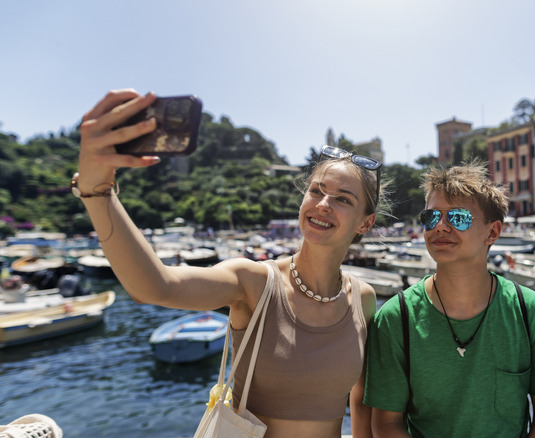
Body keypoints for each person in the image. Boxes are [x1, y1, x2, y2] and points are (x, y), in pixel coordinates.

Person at [76, 89, 386, 438]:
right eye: (316, 191)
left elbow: (362, 398)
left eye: (343, 199)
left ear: (365, 223)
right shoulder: (252, 281)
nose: (324, 203)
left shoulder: (364, 299)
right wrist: (97, 189)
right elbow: (155, 285)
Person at [364, 161, 535, 438]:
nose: (440, 227)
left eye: (458, 217)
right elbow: (387, 425)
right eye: (431, 217)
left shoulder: (532, 313)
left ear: (492, 232)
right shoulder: (397, 317)